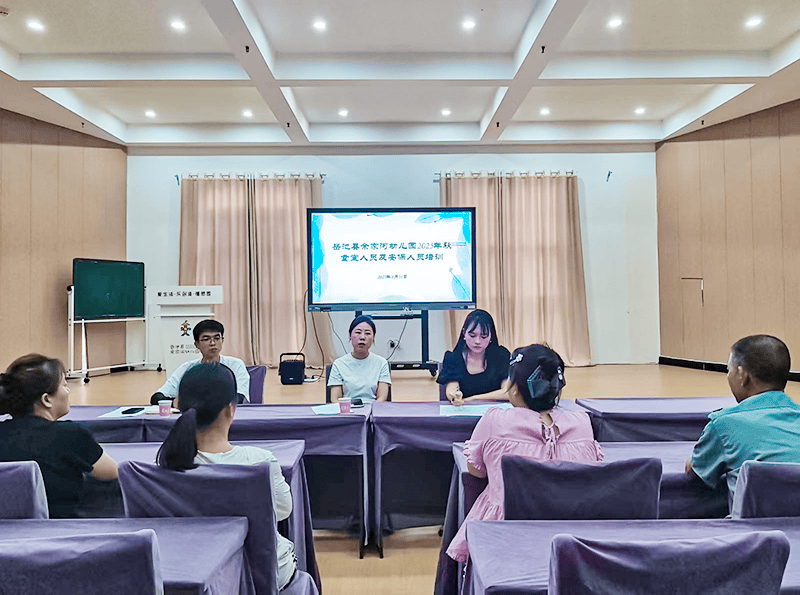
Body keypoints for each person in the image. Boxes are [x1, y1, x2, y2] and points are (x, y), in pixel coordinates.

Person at [446, 344, 602, 563]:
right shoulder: (582, 423)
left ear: (514, 389)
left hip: (504, 535)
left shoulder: (495, 420)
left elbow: (476, 470)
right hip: (572, 536)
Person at [156, 363, 297, 589]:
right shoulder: (259, 461)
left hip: (194, 570)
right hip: (262, 573)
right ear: (231, 410)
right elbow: (283, 510)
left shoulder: (165, 464)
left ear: (179, 406)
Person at [0, 353, 118, 518]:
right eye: (64, 385)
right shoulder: (73, 436)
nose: (68, 390)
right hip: (62, 529)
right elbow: (114, 474)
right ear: (46, 399)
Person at [687, 334, 800, 495]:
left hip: (755, 512)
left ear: (741, 374)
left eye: (729, 370)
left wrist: (693, 463)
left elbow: (696, 472)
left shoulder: (723, 424)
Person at [150, 319, 250, 405]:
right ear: (197, 344)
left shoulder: (235, 365)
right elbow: (157, 397)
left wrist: (196, 403)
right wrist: (175, 403)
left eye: (217, 338)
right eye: (206, 339)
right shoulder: (187, 368)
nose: (213, 343)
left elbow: (240, 398)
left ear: (222, 341)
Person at [437, 309, 511, 405]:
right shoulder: (454, 357)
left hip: (496, 411)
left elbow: (507, 392)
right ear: (464, 333)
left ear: (491, 337)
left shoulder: (501, 355)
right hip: (464, 411)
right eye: (472, 335)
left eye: (483, 336)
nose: (477, 341)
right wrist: (454, 396)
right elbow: (451, 388)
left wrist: (473, 399)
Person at [328, 315, 391, 402]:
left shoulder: (381, 363)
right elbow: (335, 399)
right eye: (358, 332)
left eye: (367, 333)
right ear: (350, 336)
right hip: (347, 409)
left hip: (373, 408)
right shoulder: (339, 364)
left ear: (373, 338)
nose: (362, 337)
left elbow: (382, 398)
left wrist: (371, 409)